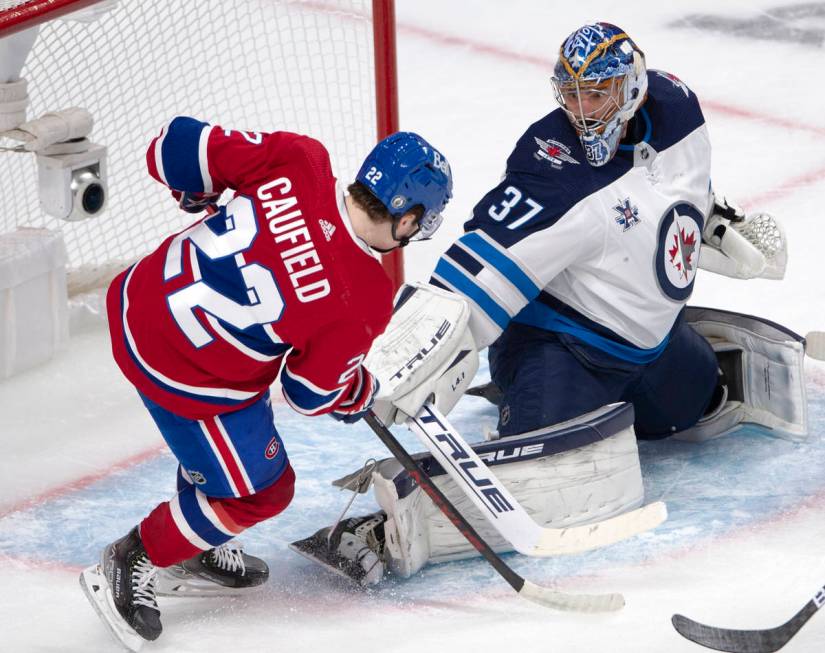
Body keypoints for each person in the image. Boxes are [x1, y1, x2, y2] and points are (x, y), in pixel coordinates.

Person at [294, 21, 801, 589]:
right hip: (559, 348)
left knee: (698, 403)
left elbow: (674, 185)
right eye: (572, 94)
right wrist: (396, 355)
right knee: (540, 484)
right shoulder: (550, 171)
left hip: (650, 348)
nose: (585, 110)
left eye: (598, 92)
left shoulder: (678, 106)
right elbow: (471, 273)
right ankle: (378, 531)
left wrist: (713, 222)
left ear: (632, 86)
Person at [79, 118, 452, 649]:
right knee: (264, 491)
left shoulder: (302, 161)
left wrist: (198, 191)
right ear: (408, 216)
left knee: (232, 455)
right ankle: (138, 553)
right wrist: (358, 391)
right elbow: (308, 393)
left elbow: (171, 147)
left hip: (135, 299)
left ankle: (196, 539)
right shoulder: (364, 296)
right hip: (184, 373)